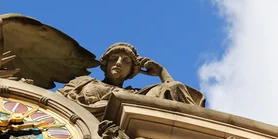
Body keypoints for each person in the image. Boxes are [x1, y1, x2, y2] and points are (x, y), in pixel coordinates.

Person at [58, 42, 203, 116]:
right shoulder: (84, 81)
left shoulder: (137, 95)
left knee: (175, 86)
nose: (119, 62)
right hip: (83, 125)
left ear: (132, 71)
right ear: (106, 64)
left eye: (126, 61)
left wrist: (161, 72)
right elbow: (57, 99)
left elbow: (173, 91)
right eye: (114, 58)